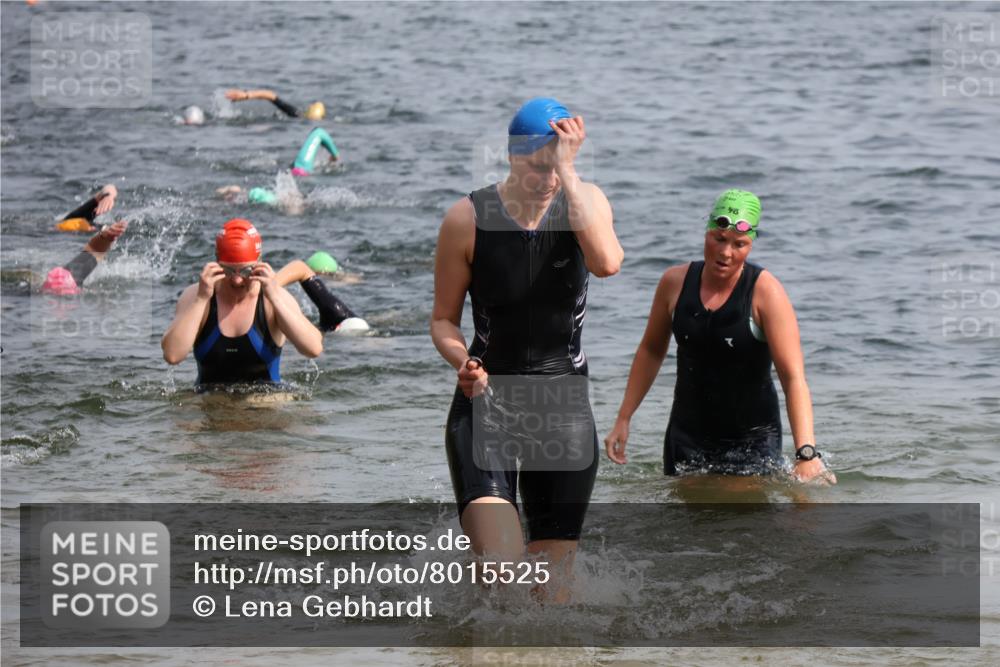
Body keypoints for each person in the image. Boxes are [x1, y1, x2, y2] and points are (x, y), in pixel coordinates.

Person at [430, 97, 623, 601]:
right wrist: (462, 361)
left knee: (551, 599)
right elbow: (443, 321)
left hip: (563, 411)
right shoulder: (466, 219)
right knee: (500, 573)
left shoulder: (587, 201)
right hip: (487, 404)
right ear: (512, 157)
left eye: (557, 166)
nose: (548, 179)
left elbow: (606, 263)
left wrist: (569, 171)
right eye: (539, 166)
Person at [603, 189, 836, 485]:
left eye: (739, 244)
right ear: (707, 232)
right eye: (719, 239)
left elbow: (793, 377)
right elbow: (651, 350)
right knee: (684, 525)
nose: (726, 253)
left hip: (752, 441)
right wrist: (624, 417)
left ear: (751, 245)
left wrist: (806, 453)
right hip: (686, 436)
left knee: (739, 524)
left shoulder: (766, 292)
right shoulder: (674, 282)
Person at [161, 218, 323, 387]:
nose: (237, 280)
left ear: (259, 262)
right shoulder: (197, 296)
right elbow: (172, 355)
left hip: (265, 407)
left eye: (246, 270)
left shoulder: (273, 299)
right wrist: (201, 300)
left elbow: (313, 349)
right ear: (216, 263)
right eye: (228, 270)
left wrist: (274, 297)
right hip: (210, 407)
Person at [275, 252, 369, 333]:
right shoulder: (333, 310)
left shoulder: (333, 311)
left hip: (344, 324)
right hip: (344, 324)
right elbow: (301, 268)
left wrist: (270, 285)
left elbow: (300, 268)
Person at [40, 219, 129, 295]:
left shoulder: (58, 282)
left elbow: (92, 251)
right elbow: (93, 251)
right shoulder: (61, 283)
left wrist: (107, 237)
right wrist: (107, 237)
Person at [224, 88, 326, 120]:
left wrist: (246, 95)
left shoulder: (297, 115)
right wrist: (246, 95)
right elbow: (271, 96)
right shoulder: (297, 114)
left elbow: (271, 96)